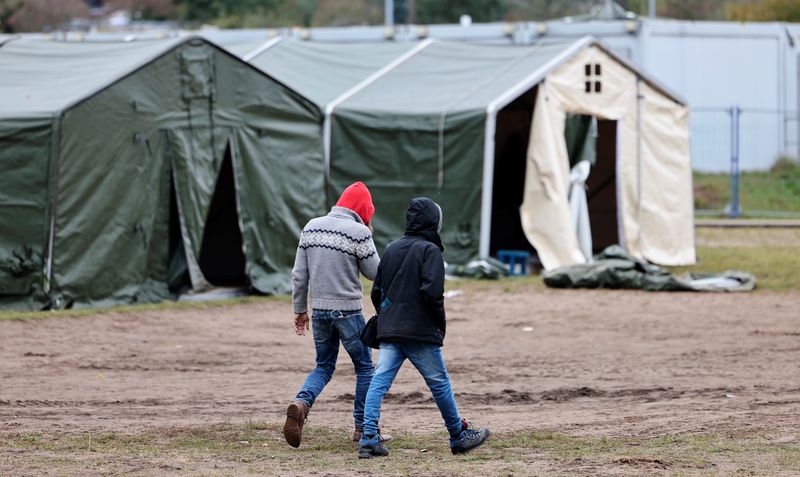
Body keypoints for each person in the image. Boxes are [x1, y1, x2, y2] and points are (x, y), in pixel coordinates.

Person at [357, 197, 490, 459]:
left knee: (378, 382)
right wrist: (437, 323)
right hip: (419, 331)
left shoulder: (392, 248)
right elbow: (432, 294)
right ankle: (458, 435)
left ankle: (368, 438)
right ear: (433, 222)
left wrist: (387, 315)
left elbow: (377, 292)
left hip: (390, 329)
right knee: (439, 384)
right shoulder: (430, 251)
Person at [284, 181, 391, 448]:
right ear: (365, 210)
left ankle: (301, 403)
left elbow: (299, 275)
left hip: (319, 311)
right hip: (349, 312)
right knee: (365, 368)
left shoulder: (311, 226)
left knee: (324, 366)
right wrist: (369, 235)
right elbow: (374, 272)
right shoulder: (358, 231)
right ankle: (362, 428)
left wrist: (300, 310)